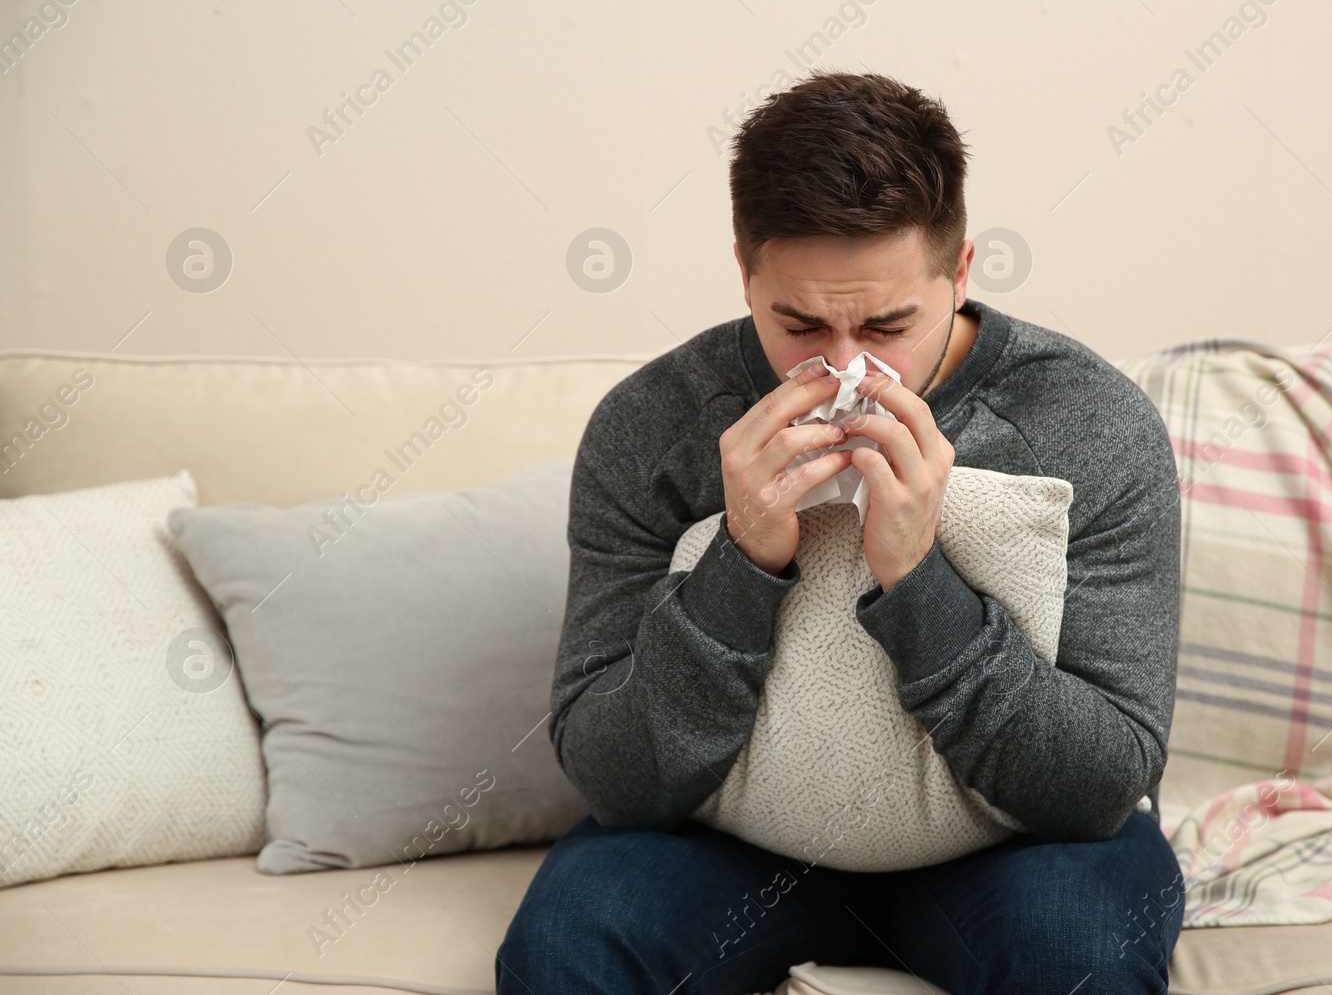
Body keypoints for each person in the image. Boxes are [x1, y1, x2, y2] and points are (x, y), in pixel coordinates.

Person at [496, 69, 1185, 994]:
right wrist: (741, 560)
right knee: (566, 946)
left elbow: (1102, 784)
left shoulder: (1089, 423)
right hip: (730, 852)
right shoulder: (651, 425)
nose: (849, 367)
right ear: (744, 270)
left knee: (1078, 955)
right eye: (800, 322)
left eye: (891, 323)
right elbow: (617, 781)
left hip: (1010, 852)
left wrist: (918, 581)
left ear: (962, 270)